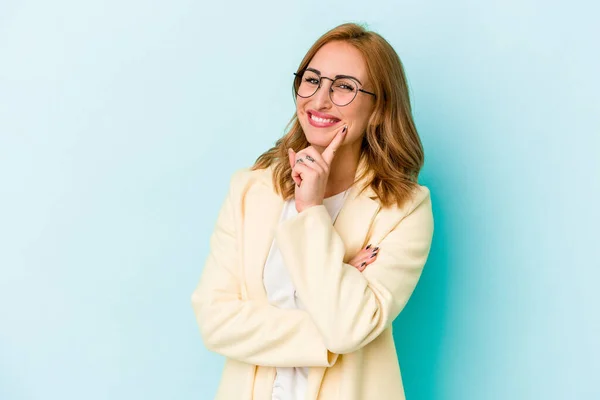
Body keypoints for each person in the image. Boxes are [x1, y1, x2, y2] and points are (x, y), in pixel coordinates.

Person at [191, 22, 434, 400]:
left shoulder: (403, 209)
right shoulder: (250, 189)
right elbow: (215, 320)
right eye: (312, 80)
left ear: (378, 106)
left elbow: (349, 328)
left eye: (344, 87)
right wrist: (329, 311)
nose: (319, 101)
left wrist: (310, 212)